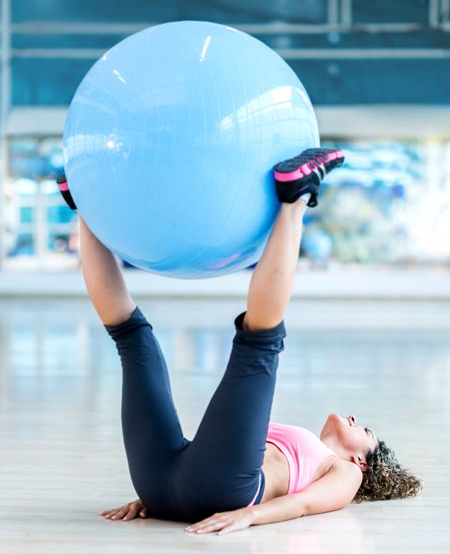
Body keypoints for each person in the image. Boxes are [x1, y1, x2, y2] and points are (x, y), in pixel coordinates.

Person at [57, 148, 421, 535]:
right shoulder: (309, 453)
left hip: (221, 492)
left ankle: (297, 197)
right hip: (161, 484)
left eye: (362, 430)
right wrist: (166, 494)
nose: (353, 418)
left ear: (361, 460)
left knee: (259, 345)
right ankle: (85, 205)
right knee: (134, 340)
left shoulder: (345, 471)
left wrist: (250, 515)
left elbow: (304, 504)